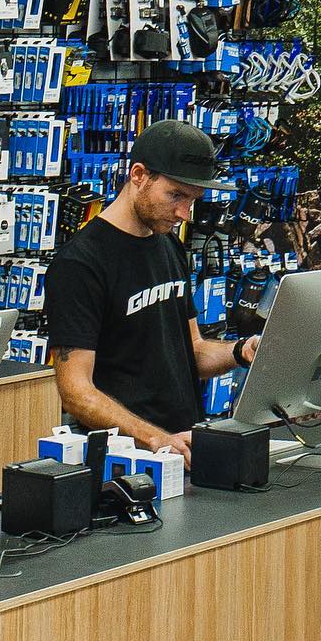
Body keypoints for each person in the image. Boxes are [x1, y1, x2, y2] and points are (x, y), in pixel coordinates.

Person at [44, 120, 260, 467]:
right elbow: (76, 392)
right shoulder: (80, 264)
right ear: (139, 175)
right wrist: (154, 439)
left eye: (193, 200)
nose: (184, 213)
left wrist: (241, 351)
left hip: (183, 449)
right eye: (175, 195)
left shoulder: (168, 245)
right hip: (126, 464)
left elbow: (191, 351)